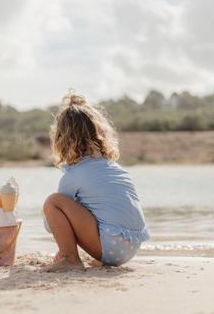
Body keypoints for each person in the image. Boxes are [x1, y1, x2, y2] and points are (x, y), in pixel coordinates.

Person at [42, 91, 150, 272]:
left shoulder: (73, 175)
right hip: (132, 246)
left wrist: (64, 241)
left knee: (53, 202)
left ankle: (70, 259)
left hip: (112, 247)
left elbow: (50, 223)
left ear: (62, 140)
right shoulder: (113, 167)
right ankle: (85, 255)